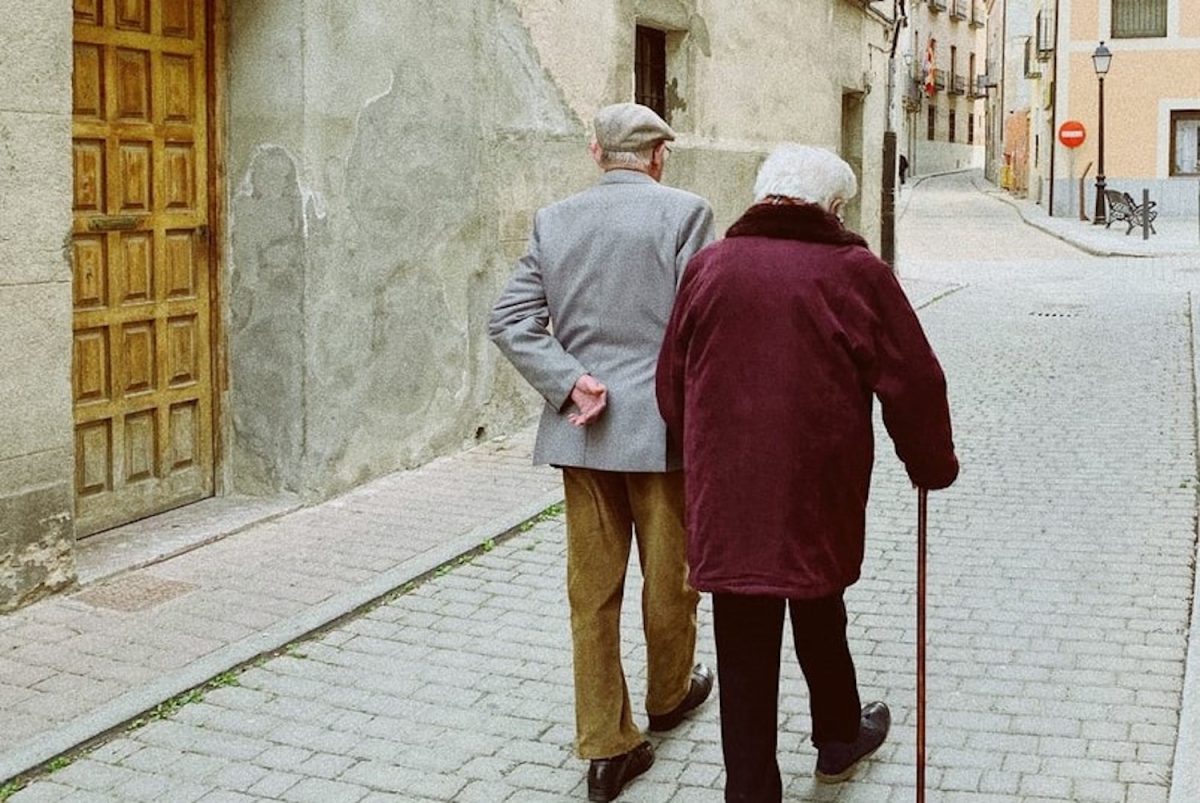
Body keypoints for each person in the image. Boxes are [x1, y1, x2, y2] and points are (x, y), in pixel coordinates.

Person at [656, 144, 958, 802]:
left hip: (728, 494)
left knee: (742, 638)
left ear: (763, 196)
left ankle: (754, 787)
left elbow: (671, 385)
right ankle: (838, 736)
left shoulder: (708, 268)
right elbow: (915, 379)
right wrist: (931, 461)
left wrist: (705, 447)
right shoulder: (855, 271)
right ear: (836, 206)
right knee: (820, 606)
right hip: (817, 488)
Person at [489, 102, 716, 803]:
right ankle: (669, 694)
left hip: (583, 432)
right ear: (658, 156)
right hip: (663, 434)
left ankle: (605, 746)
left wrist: (569, 380)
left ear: (595, 153)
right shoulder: (687, 213)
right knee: (670, 577)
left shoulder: (554, 219)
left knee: (592, 592)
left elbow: (509, 320)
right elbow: (699, 323)